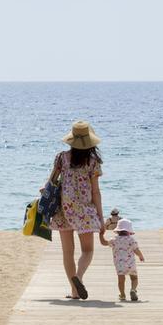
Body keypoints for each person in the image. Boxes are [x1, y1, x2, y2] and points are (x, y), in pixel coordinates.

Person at [47, 120, 104, 300]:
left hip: (63, 208)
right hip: (84, 210)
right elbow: (95, 191)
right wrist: (100, 217)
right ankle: (78, 278)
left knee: (67, 252)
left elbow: (51, 182)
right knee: (87, 251)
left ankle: (74, 290)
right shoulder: (93, 162)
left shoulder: (61, 158)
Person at [104, 218, 144, 302]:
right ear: (129, 231)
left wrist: (101, 235)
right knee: (134, 278)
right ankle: (133, 289)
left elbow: (104, 243)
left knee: (121, 281)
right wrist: (141, 256)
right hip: (130, 264)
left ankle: (122, 295)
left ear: (118, 230)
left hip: (119, 265)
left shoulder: (114, 240)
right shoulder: (131, 240)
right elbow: (136, 250)